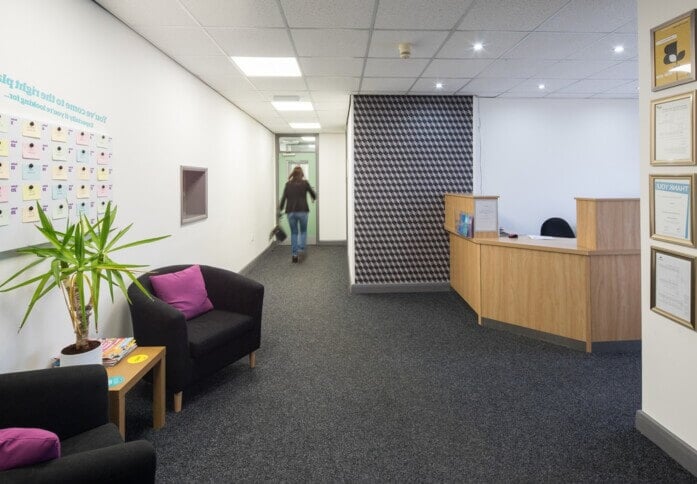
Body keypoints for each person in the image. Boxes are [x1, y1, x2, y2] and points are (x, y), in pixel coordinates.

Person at [279, 166, 316, 263]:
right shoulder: (305, 183)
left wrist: (280, 210)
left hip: (291, 212)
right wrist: (313, 195)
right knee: (303, 231)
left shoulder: (288, 184)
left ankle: (294, 255)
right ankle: (301, 249)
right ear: (301, 174)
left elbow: (283, 198)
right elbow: (314, 195)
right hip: (303, 211)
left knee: (294, 233)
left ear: (293, 174)